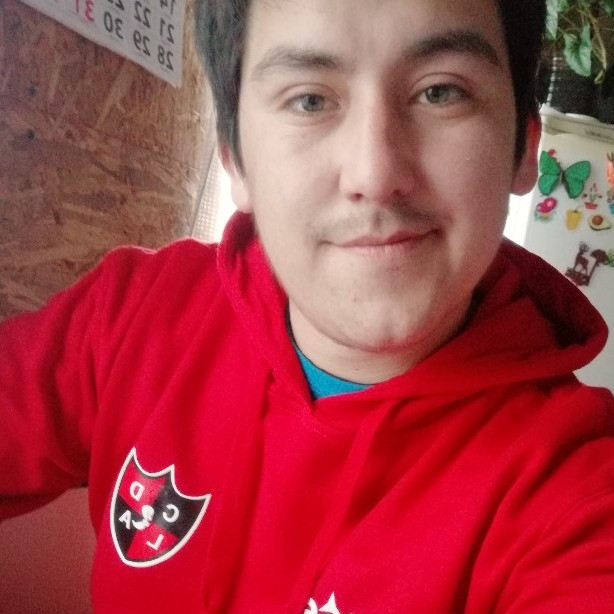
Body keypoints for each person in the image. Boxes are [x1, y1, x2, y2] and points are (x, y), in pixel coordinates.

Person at [1, 0, 613, 611]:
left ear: (524, 147)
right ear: (233, 158)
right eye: (310, 100)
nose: (374, 174)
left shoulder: (577, 492)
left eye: (440, 92)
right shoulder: (135, 313)